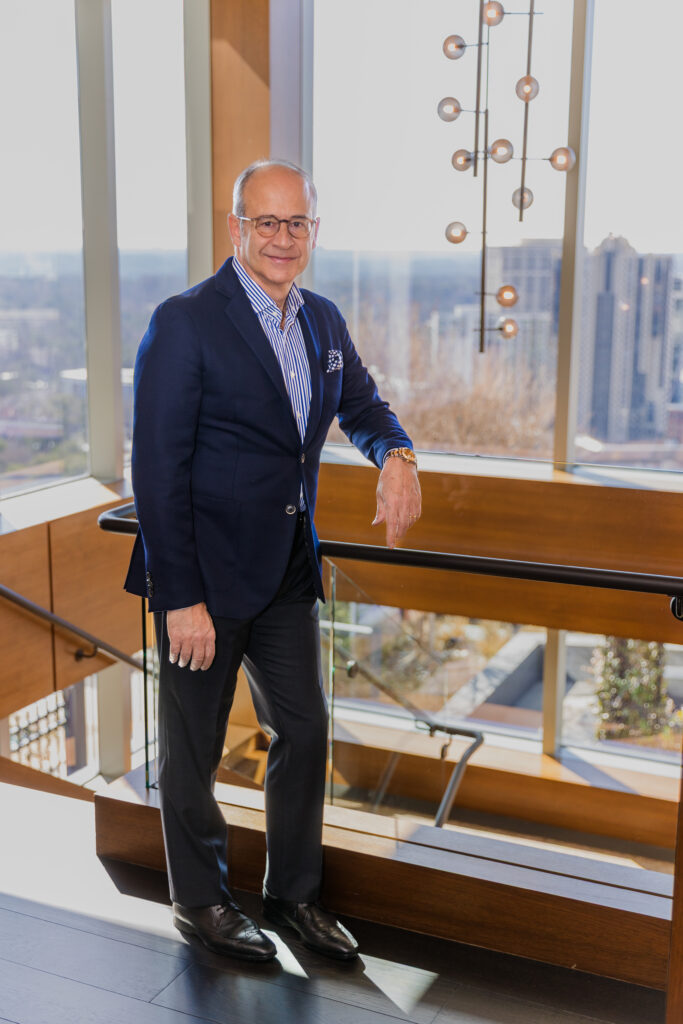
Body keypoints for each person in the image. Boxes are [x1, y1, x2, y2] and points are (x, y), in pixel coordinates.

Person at [124, 159, 421, 963]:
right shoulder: (185, 321)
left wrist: (395, 453)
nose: (283, 238)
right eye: (267, 222)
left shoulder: (322, 321)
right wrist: (177, 596)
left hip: (288, 565)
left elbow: (361, 405)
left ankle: (292, 897)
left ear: (312, 231)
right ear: (236, 228)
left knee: (304, 729)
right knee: (193, 746)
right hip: (203, 579)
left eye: (298, 224)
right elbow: (154, 468)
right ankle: (201, 902)